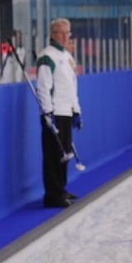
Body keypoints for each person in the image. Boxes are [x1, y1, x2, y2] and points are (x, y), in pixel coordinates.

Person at [36, 18, 82, 208]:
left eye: (67, 33)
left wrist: (76, 110)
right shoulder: (47, 56)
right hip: (54, 112)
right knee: (53, 155)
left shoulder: (68, 57)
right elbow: (43, 88)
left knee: (66, 154)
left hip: (66, 111)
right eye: (61, 33)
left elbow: (72, 87)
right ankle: (52, 195)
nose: (65, 37)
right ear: (53, 34)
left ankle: (61, 189)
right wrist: (47, 112)